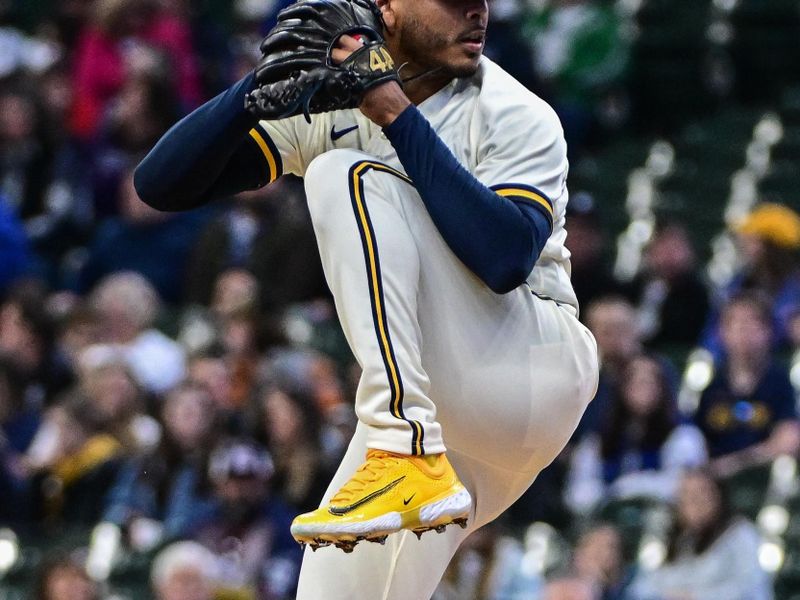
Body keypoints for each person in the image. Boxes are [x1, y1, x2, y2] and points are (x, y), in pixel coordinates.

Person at [134, 1, 599, 598]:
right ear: (387, 6)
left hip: (528, 364)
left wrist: (396, 115)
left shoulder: (513, 110)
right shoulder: (337, 101)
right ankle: (405, 451)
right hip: (444, 416)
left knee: (339, 175)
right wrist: (255, 88)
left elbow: (505, 258)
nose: (476, 12)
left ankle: (403, 446)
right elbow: (160, 185)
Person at [627, 469, 773, 600]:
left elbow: (751, 589)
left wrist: (696, 597)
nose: (694, 502)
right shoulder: (672, 540)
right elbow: (643, 587)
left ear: (717, 497)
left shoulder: (741, 534)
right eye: (685, 495)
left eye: (701, 493)